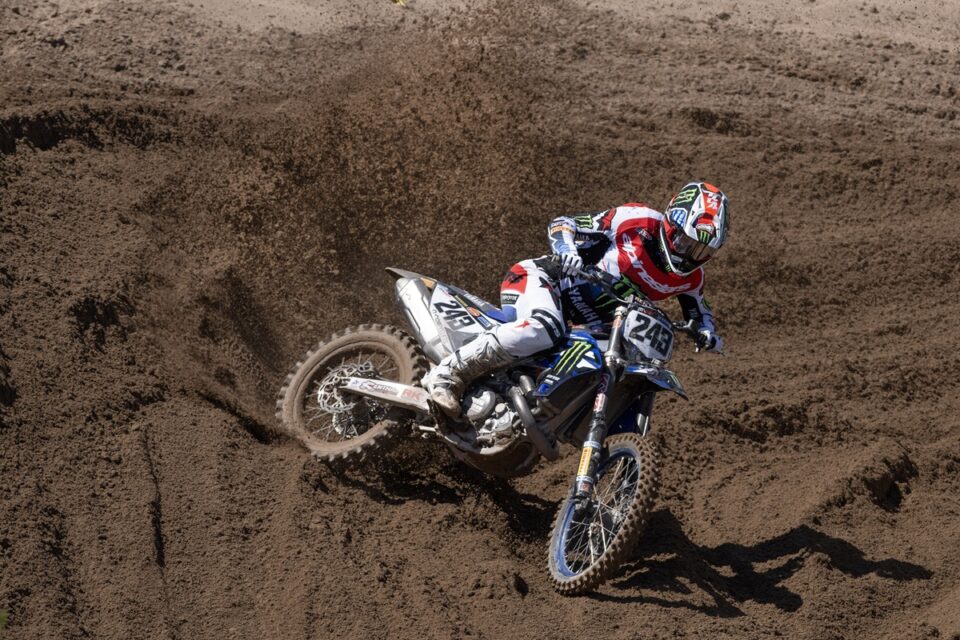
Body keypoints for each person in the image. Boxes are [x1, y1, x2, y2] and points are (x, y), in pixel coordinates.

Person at [423, 181, 730, 417]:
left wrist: (708, 333)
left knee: (617, 361)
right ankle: (447, 375)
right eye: (686, 242)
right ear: (672, 224)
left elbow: (701, 313)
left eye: (702, 252)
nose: (691, 255)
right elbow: (563, 223)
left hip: (582, 323)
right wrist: (567, 251)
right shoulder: (637, 221)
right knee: (544, 327)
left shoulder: (691, 278)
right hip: (545, 280)